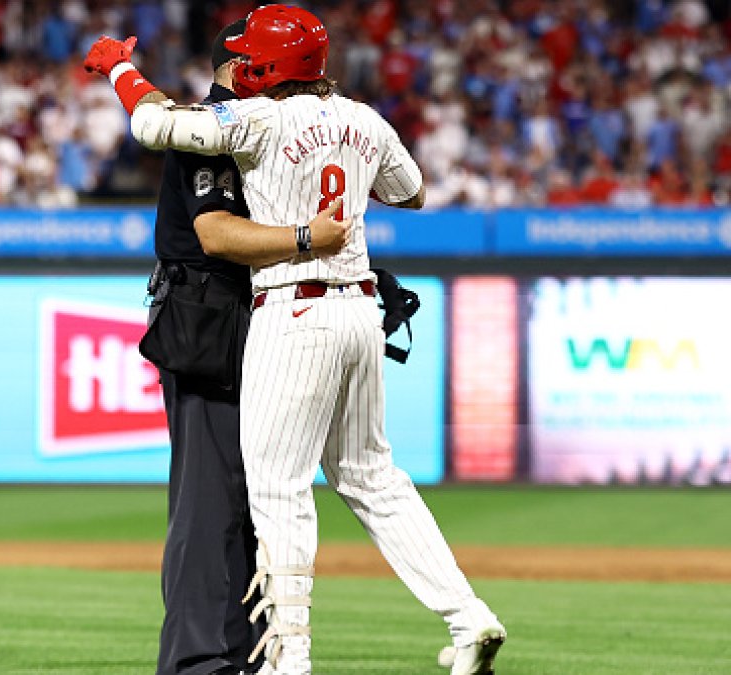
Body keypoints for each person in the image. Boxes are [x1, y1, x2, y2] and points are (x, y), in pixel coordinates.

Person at [85, 6, 505, 675]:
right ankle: (469, 615)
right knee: (374, 478)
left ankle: (291, 658)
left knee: (278, 489)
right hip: (360, 309)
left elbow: (152, 122)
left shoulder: (255, 118)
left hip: (294, 308)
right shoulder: (363, 118)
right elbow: (413, 191)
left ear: (266, 66)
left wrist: (120, 67)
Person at [142, 18, 350, 675]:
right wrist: (309, 239)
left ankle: (249, 653)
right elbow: (218, 234)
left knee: (264, 499)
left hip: (267, 322)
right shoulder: (210, 126)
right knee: (210, 501)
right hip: (207, 321)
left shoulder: (266, 127)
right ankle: (198, 660)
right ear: (243, 64)